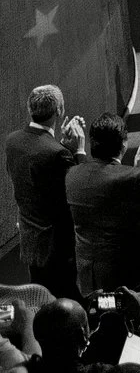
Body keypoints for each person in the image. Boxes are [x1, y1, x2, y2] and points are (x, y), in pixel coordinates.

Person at [65, 114, 140, 297]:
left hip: (87, 274)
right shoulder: (135, 178)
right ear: (123, 144)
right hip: (128, 277)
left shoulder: (72, 174)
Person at [6, 84, 78, 297]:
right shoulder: (58, 154)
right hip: (57, 248)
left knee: (38, 297)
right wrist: (76, 152)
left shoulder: (13, 141)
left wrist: (62, 146)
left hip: (30, 241)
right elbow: (74, 193)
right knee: (63, 299)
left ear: (30, 109)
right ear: (59, 110)